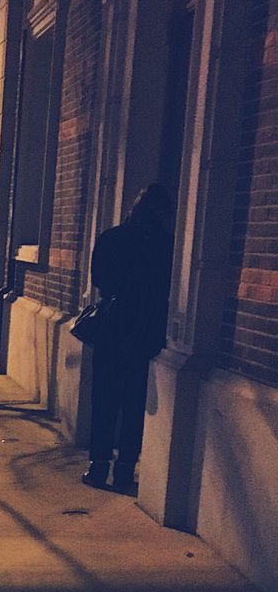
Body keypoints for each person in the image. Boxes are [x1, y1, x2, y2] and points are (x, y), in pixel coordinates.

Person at [81, 182, 175, 492]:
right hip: (143, 332)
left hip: (112, 328)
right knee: (134, 406)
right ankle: (124, 471)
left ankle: (98, 467)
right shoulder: (164, 245)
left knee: (104, 399)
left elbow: (100, 281)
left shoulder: (112, 238)